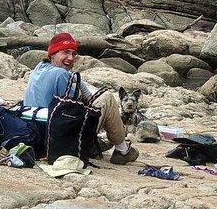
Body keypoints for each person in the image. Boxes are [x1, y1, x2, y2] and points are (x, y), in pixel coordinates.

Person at [23, 32, 139, 164]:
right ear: (52, 54)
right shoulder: (61, 74)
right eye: (65, 52)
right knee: (107, 98)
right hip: (54, 136)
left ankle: (101, 144)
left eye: (73, 54)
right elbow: (71, 108)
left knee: (98, 102)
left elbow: (83, 94)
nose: (71, 58)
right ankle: (122, 150)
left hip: (36, 130)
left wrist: (79, 84)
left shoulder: (39, 68)